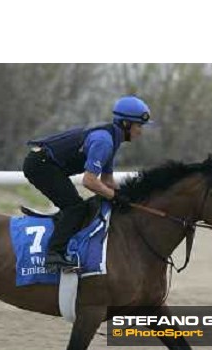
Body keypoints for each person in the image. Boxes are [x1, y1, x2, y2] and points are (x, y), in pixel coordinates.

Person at [22, 95, 151, 269]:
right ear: (126, 124)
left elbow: (107, 180)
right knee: (76, 208)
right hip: (41, 165)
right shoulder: (104, 141)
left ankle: (62, 230)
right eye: (139, 125)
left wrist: (127, 197)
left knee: (78, 205)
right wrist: (115, 196)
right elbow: (89, 181)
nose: (140, 131)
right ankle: (54, 255)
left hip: (47, 164)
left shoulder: (112, 138)